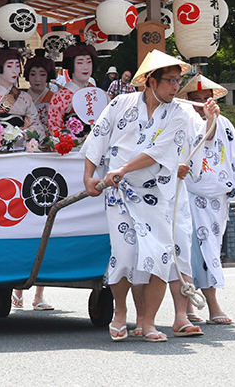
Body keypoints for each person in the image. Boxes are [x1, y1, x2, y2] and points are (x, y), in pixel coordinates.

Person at [82, 50, 197, 342]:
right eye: (170, 80)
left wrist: (122, 169)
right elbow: (98, 137)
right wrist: (89, 176)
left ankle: (148, 322)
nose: (175, 86)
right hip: (118, 192)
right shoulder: (121, 103)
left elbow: (157, 152)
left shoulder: (180, 114)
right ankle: (120, 312)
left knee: (159, 254)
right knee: (125, 254)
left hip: (156, 193)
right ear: (151, 81)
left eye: (178, 81)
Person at [178, 73, 235, 326]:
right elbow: (201, 139)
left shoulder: (225, 123)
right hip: (191, 194)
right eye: (199, 99)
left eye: (208, 98)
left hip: (218, 196)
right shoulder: (186, 120)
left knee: (211, 248)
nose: (205, 102)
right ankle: (195, 304)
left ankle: (200, 304)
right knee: (192, 250)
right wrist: (207, 118)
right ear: (189, 100)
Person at [48, 44, 97, 138]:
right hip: (70, 145)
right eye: (80, 63)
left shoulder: (96, 92)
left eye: (89, 62)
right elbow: (54, 126)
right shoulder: (60, 96)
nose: (86, 67)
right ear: (71, 65)